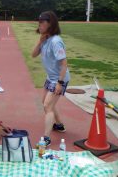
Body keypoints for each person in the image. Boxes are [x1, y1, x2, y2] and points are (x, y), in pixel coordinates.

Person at [31, 11, 70, 146]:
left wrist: (59, 83)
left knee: (47, 105)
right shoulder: (45, 39)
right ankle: (58, 125)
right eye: (39, 22)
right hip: (50, 77)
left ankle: (46, 139)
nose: (39, 24)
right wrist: (39, 41)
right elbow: (33, 54)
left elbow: (64, 64)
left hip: (59, 78)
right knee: (47, 103)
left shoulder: (56, 42)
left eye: (42, 22)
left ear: (50, 24)